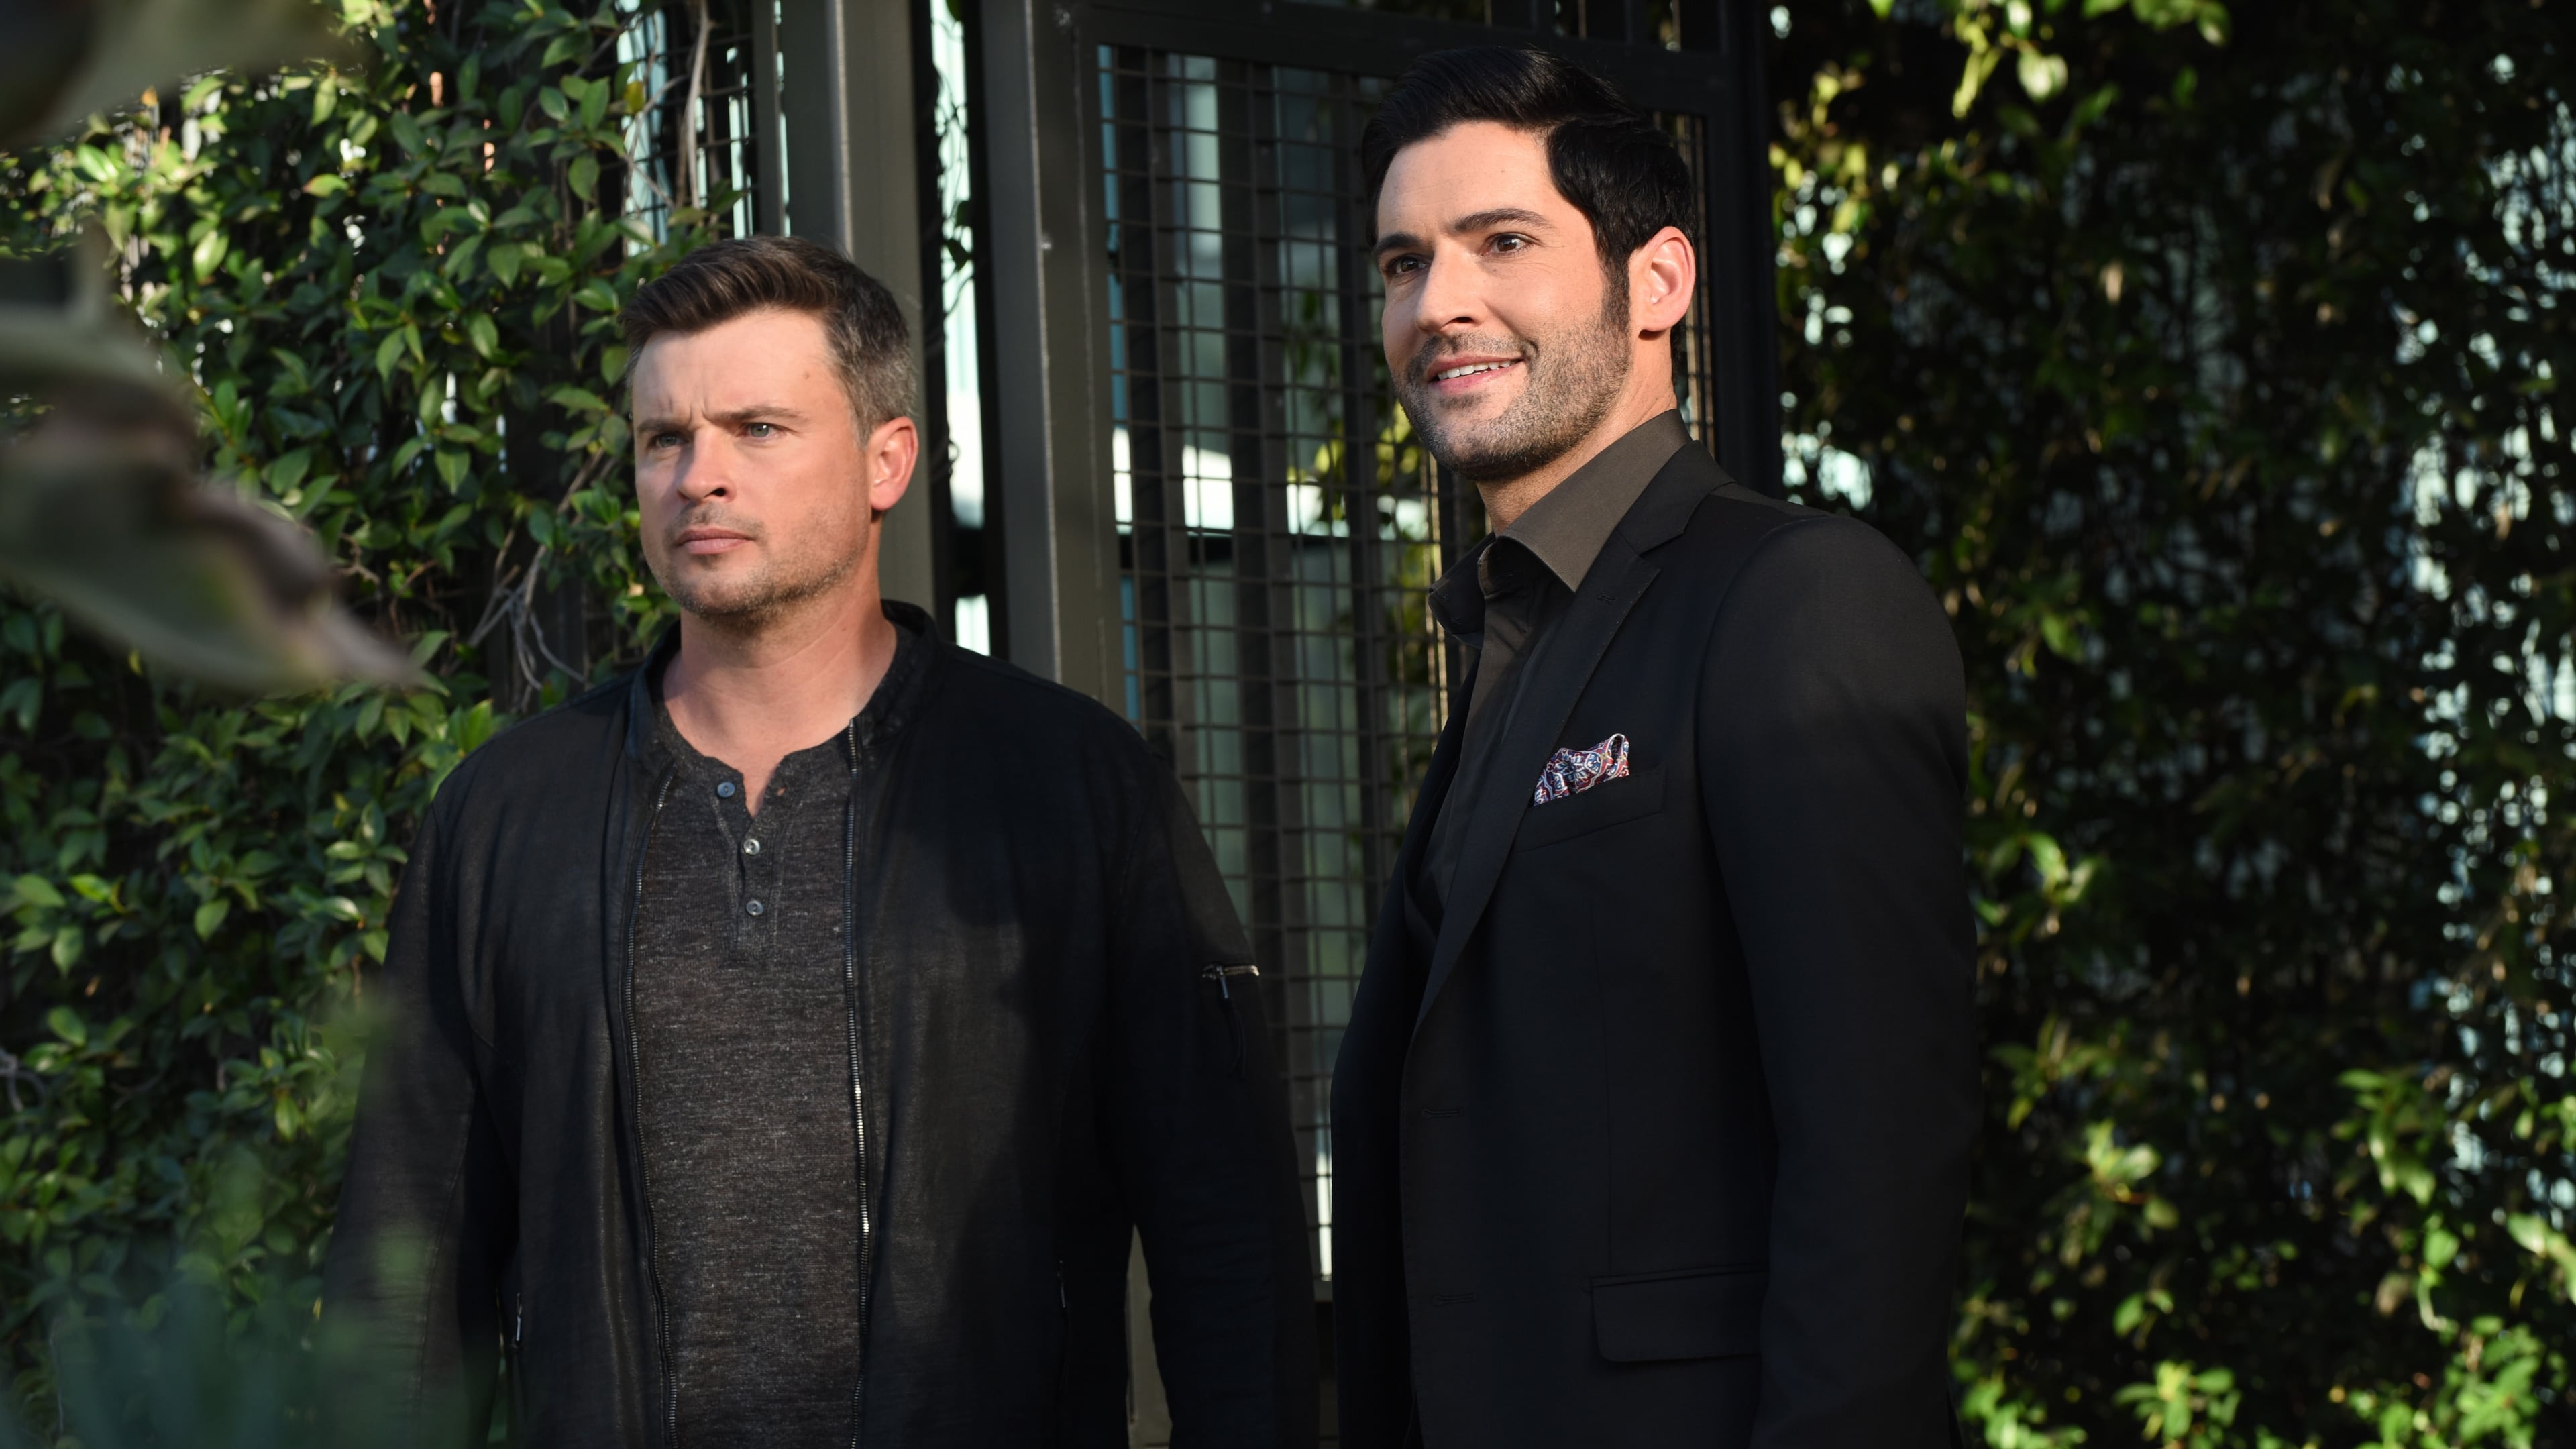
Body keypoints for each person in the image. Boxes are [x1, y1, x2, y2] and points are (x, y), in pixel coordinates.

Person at [326, 235, 1314, 1448]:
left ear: (886, 459)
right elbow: (407, 1265)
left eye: (758, 429)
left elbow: (1227, 1228)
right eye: (664, 439)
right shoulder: (506, 816)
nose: (699, 477)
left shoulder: (1069, 785)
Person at [1327, 47, 1977, 1448]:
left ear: (1660, 282)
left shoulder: (1797, 600)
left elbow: (1877, 1148)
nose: (1438, 304)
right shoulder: (1516, 633)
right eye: (1402, 263)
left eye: (1503, 242)